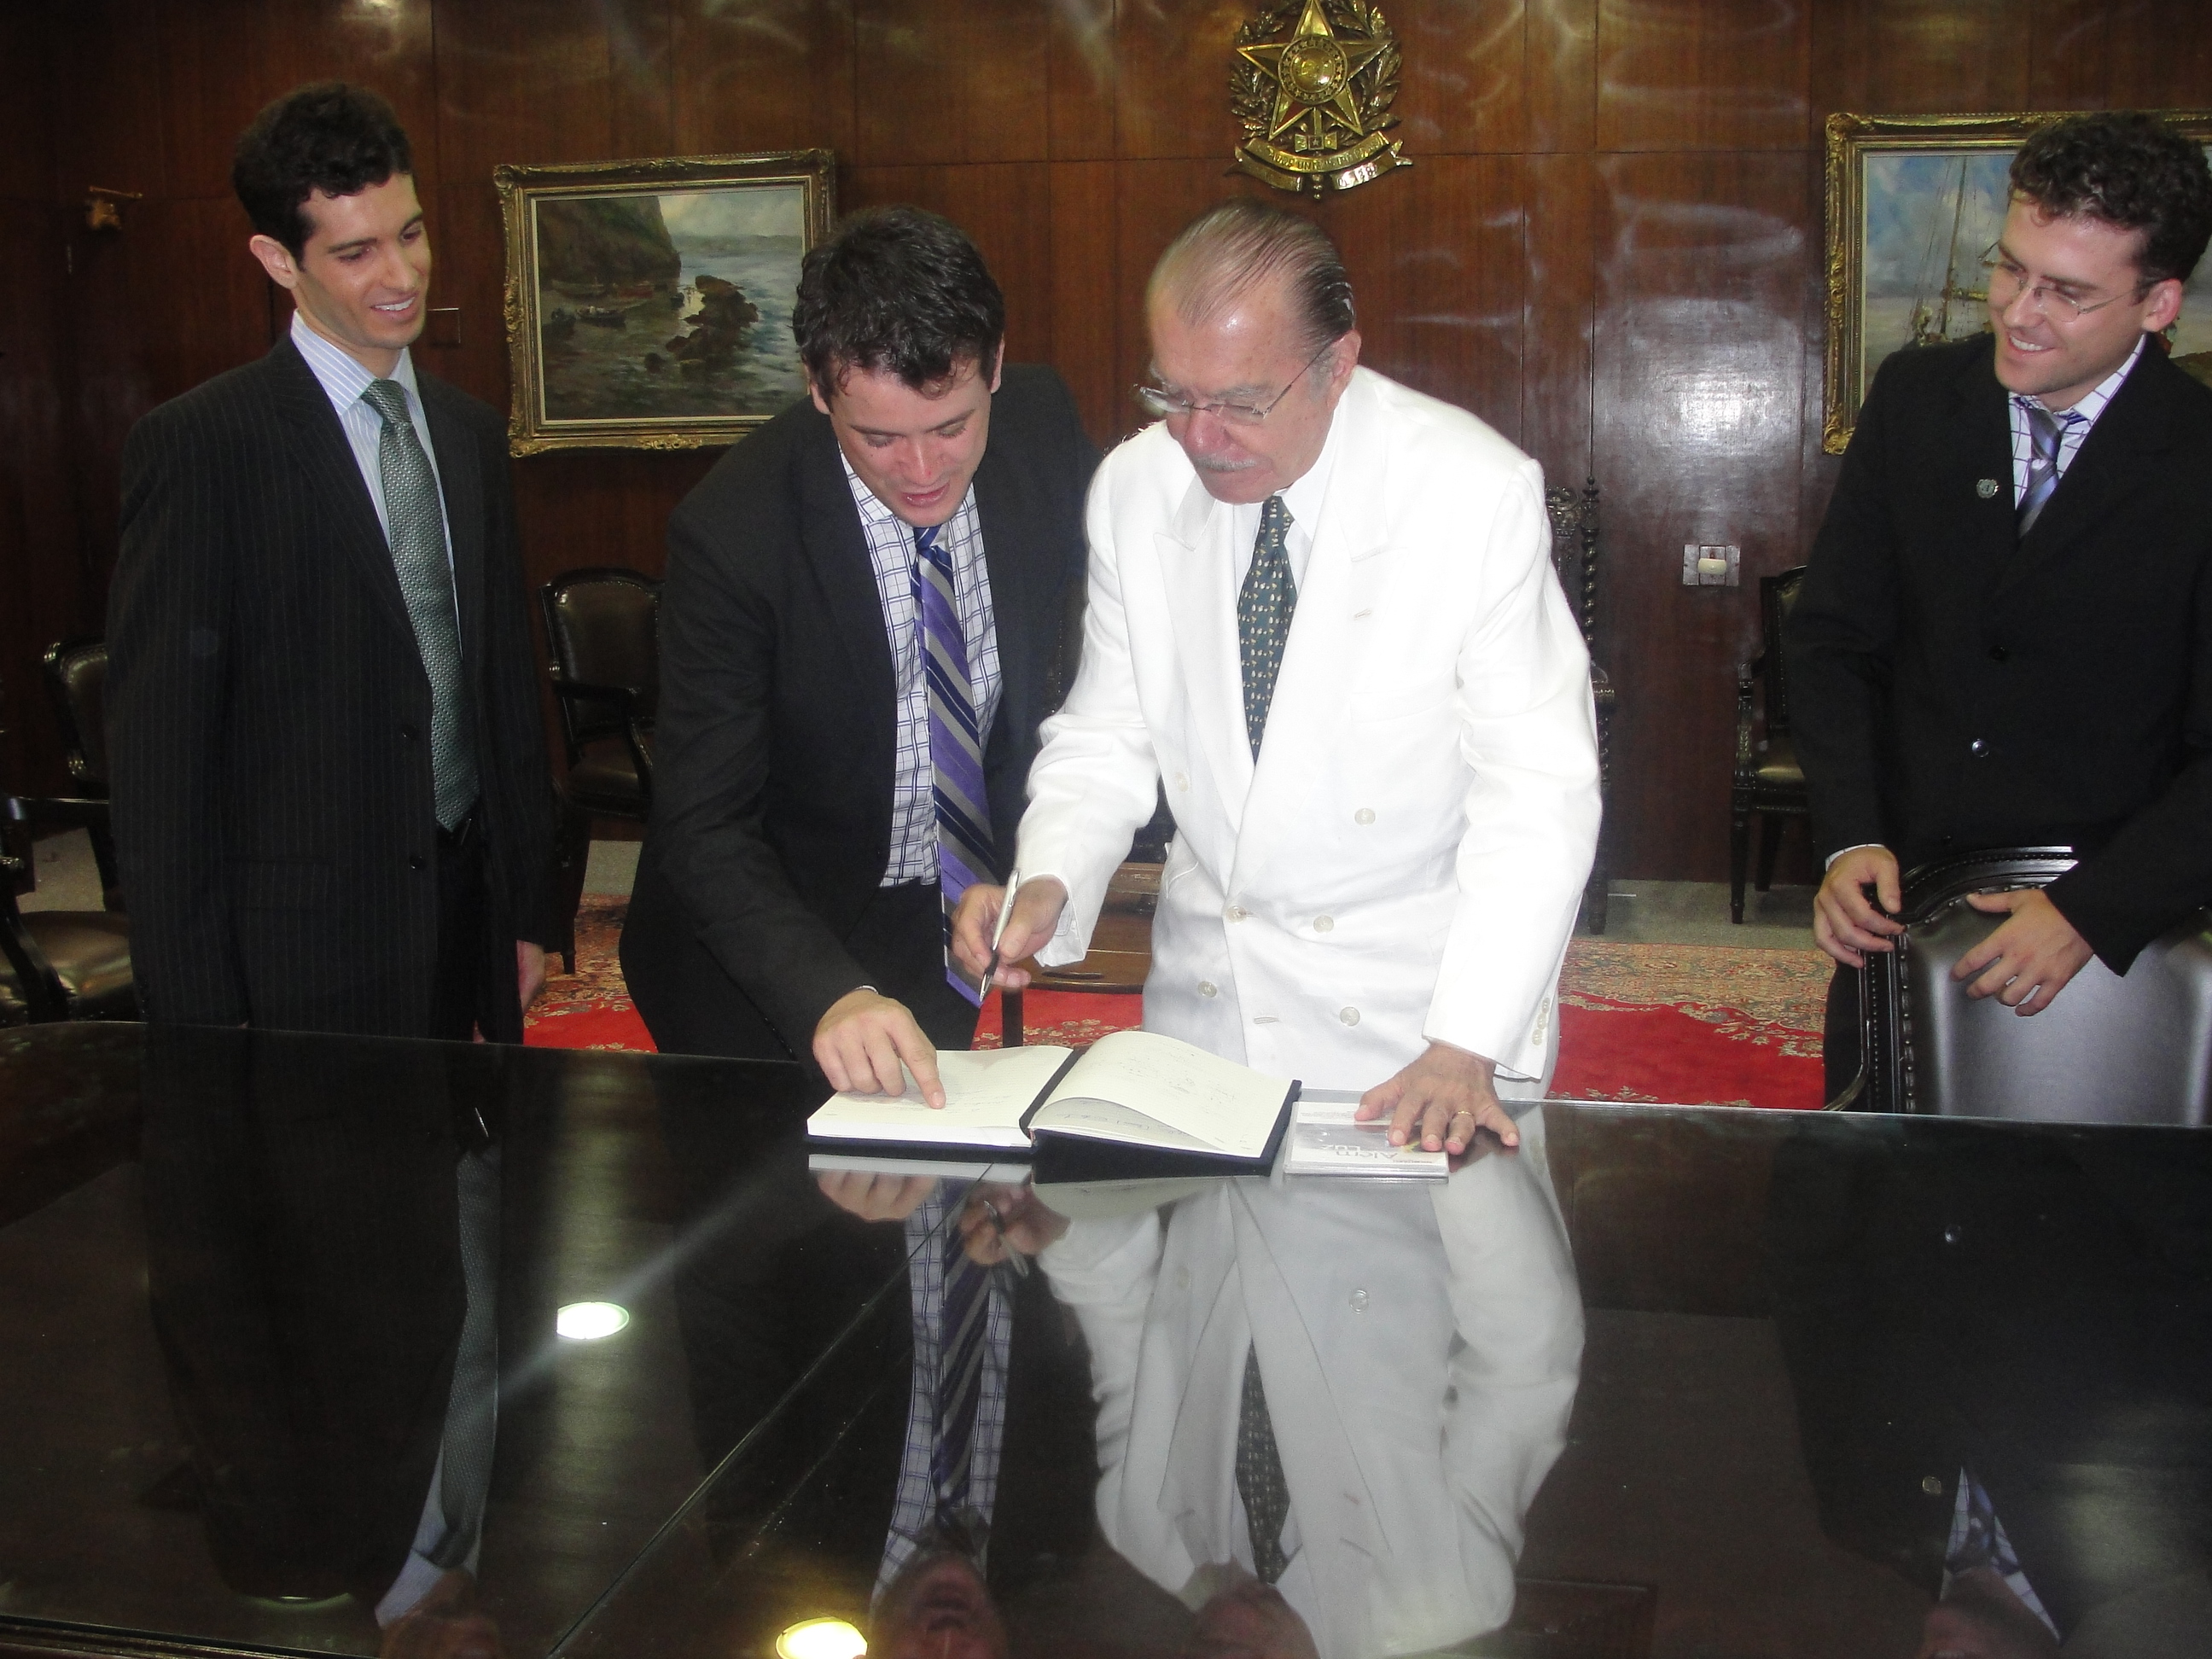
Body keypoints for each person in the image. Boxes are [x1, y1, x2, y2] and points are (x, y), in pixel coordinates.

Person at [952, 199, 1600, 1153]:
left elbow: (1538, 792)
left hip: (1413, 1028)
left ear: (1337, 365)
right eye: (1174, 396)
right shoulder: (1137, 489)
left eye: (1242, 403)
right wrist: (1052, 873)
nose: (1201, 438)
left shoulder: (1469, 494)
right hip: (1208, 1012)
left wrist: (1467, 1039)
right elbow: (1108, 730)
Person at [107, 82, 556, 1041]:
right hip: (298, 952)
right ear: (278, 259)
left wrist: (529, 909)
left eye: (412, 231)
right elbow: (160, 762)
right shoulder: (202, 447)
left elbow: (502, 687)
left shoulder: (471, 434)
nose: (403, 273)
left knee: (477, 1184)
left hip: (467, 910)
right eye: (356, 252)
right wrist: (194, 1017)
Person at [620, 207, 1097, 1093]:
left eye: (950, 426)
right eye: (877, 436)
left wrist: (1013, 865)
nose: (921, 468)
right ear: (817, 385)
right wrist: (826, 994)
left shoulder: (1042, 430)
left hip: (943, 926)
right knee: (789, 1218)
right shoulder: (734, 533)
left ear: (995, 367)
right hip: (763, 953)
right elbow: (704, 826)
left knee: (924, 1201)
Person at [1788, 111, 2212, 1091]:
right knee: (1872, 1205)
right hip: (1903, 904)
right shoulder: (1918, 399)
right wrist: (1850, 833)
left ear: (2158, 304)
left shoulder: (2198, 455)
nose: (2020, 311)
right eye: (2011, 268)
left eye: (2068, 293)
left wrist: (2094, 911)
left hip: (2126, 927)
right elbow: (1834, 641)